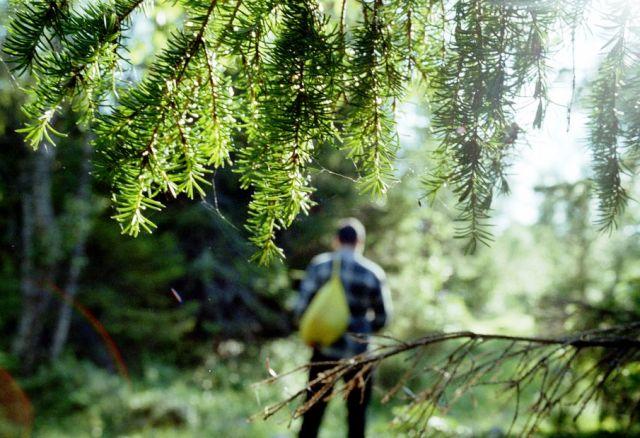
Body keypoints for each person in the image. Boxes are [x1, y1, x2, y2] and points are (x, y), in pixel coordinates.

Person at [295, 218, 391, 438]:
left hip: (323, 350)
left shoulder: (320, 265)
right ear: (361, 242)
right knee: (357, 417)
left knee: (312, 411)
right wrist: (363, 329)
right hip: (360, 354)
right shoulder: (373, 273)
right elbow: (383, 318)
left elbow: (301, 308)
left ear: (336, 240)